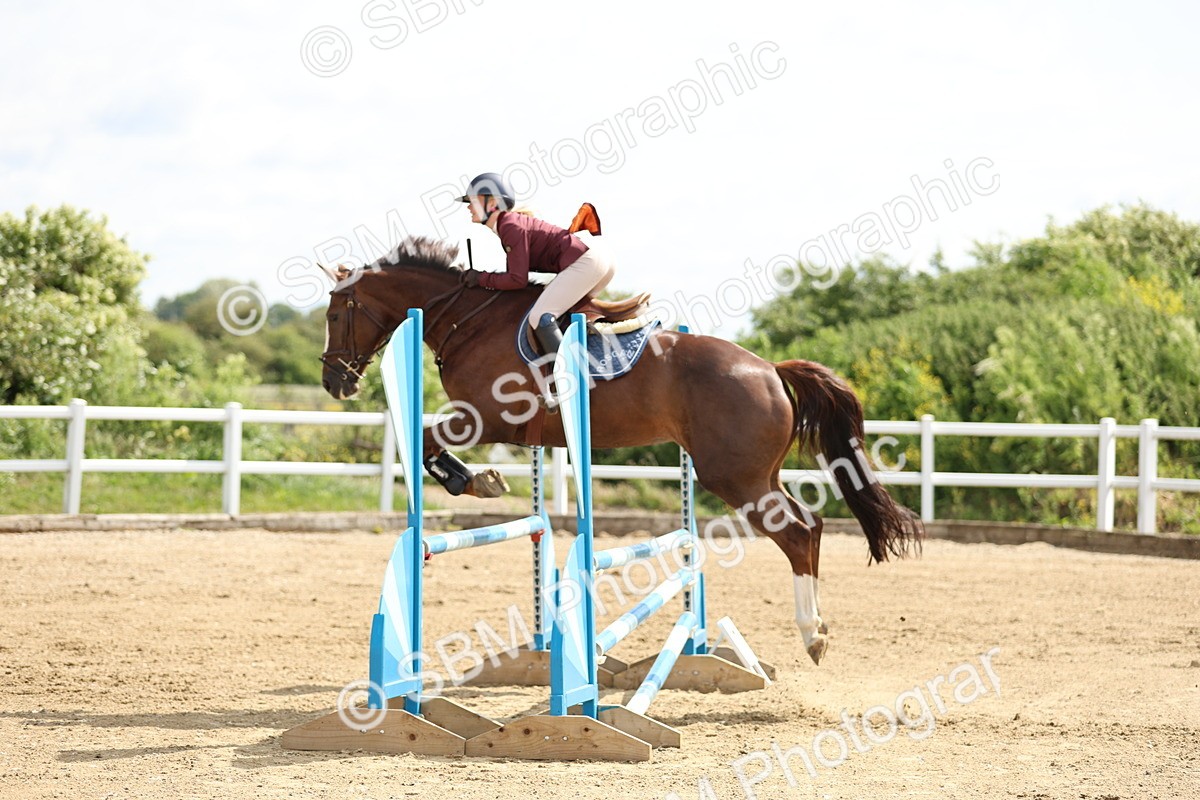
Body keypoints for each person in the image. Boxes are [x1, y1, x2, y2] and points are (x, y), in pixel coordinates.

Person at [457, 172, 615, 359]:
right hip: (596, 258)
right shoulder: (509, 224)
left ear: (492, 203)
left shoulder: (509, 225)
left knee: (540, 317)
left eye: (473, 201)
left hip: (587, 259)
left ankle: (569, 378)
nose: (468, 207)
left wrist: (480, 278)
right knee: (560, 314)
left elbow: (517, 280)